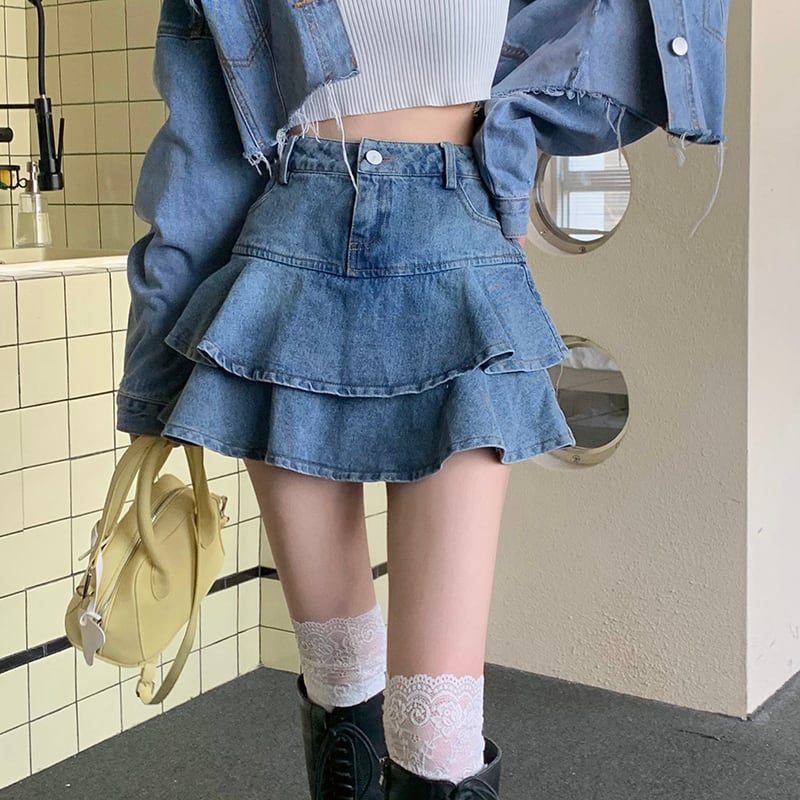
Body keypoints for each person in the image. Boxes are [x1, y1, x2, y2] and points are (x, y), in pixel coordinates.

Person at [119, 2, 730, 798]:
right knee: (338, 675)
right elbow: (198, 149)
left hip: (456, 251)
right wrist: (152, 387)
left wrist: (513, 152)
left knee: (439, 731)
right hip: (291, 257)